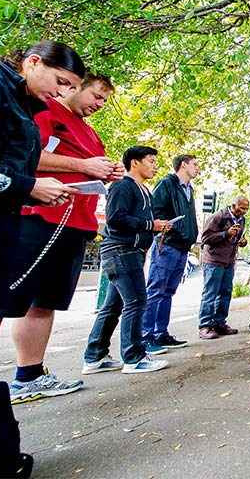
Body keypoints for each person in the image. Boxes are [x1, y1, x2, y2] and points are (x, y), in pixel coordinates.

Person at [0, 39, 84, 479]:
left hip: (5, 220)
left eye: (69, 88)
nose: (60, 94)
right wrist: (26, 186)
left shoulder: (29, 107)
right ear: (33, 62)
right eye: (60, 82)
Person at [1, 72, 123, 405]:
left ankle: (30, 373)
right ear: (73, 87)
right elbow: (27, 156)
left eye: (104, 101)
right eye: (96, 96)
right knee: (11, 299)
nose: (98, 105)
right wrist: (83, 164)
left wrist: (107, 171)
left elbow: (91, 169)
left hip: (74, 222)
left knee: (46, 301)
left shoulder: (92, 135)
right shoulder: (46, 113)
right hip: (40, 217)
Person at [82, 146, 171, 375]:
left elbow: (138, 220)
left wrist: (156, 225)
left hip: (132, 251)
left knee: (113, 306)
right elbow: (116, 218)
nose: (154, 166)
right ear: (135, 162)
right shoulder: (122, 186)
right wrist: (151, 225)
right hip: (121, 251)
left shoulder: (144, 191)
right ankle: (134, 357)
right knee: (137, 301)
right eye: (150, 161)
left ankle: (95, 356)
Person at [141, 154, 200, 351]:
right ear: (183, 165)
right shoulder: (166, 183)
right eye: (194, 165)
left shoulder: (189, 189)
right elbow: (156, 209)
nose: (197, 168)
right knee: (156, 290)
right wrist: (167, 227)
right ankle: (145, 337)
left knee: (168, 292)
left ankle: (161, 333)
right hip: (167, 244)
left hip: (183, 247)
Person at [197, 196, 249, 339]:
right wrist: (226, 233)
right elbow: (205, 239)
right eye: (242, 208)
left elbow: (237, 239)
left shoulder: (241, 220)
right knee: (210, 294)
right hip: (214, 261)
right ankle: (205, 325)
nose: (244, 212)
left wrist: (242, 241)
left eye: (246, 209)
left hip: (229, 261)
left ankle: (219, 323)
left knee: (225, 293)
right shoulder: (218, 217)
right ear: (234, 205)